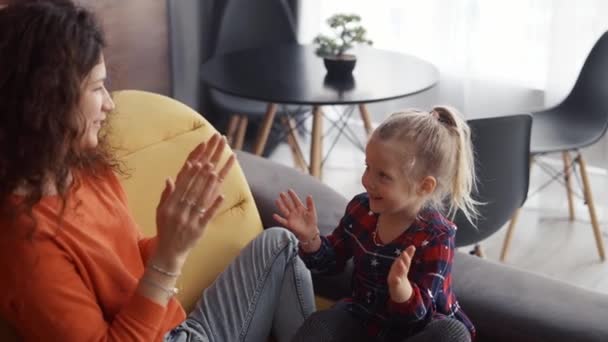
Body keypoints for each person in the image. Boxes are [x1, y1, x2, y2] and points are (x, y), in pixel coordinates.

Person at [0, 1, 315, 341]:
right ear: (46, 102)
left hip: (181, 330)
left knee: (278, 244)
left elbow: (132, 262)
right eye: (95, 88)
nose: (108, 103)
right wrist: (169, 256)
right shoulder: (25, 242)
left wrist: (178, 229)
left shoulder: (83, 168)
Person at [274, 107, 478, 342]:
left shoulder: (437, 236)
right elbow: (331, 263)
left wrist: (402, 290)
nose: (367, 181)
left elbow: (420, 317)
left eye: (383, 176)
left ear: (424, 186)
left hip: (415, 329)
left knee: (453, 334)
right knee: (321, 323)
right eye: (367, 167)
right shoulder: (362, 209)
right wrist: (310, 239)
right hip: (365, 318)